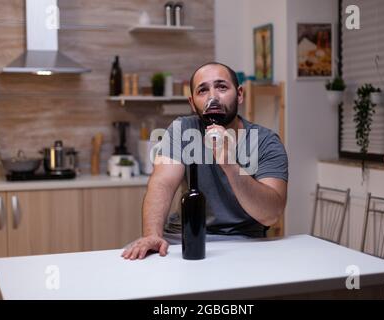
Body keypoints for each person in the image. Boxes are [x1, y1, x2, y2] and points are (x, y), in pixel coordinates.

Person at [121, 62, 288, 260]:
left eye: (222, 87)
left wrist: (230, 165)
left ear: (240, 94)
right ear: (192, 103)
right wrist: (152, 235)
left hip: (243, 241)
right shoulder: (182, 130)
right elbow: (162, 184)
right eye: (203, 90)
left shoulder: (265, 141)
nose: (212, 97)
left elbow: (270, 214)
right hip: (182, 236)